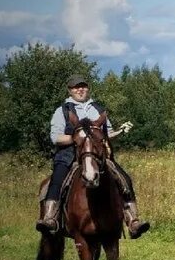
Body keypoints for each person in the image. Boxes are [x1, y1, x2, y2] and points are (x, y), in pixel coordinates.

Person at [37, 73, 150, 238]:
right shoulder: (62, 110)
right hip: (69, 154)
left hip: (97, 155)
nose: (80, 89)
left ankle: (132, 220)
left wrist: (120, 131)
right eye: (76, 87)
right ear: (70, 90)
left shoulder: (98, 109)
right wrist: (78, 138)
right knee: (57, 180)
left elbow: (106, 133)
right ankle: (50, 217)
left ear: (87, 89)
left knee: (124, 178)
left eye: (83, 86)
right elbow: (55, 137)